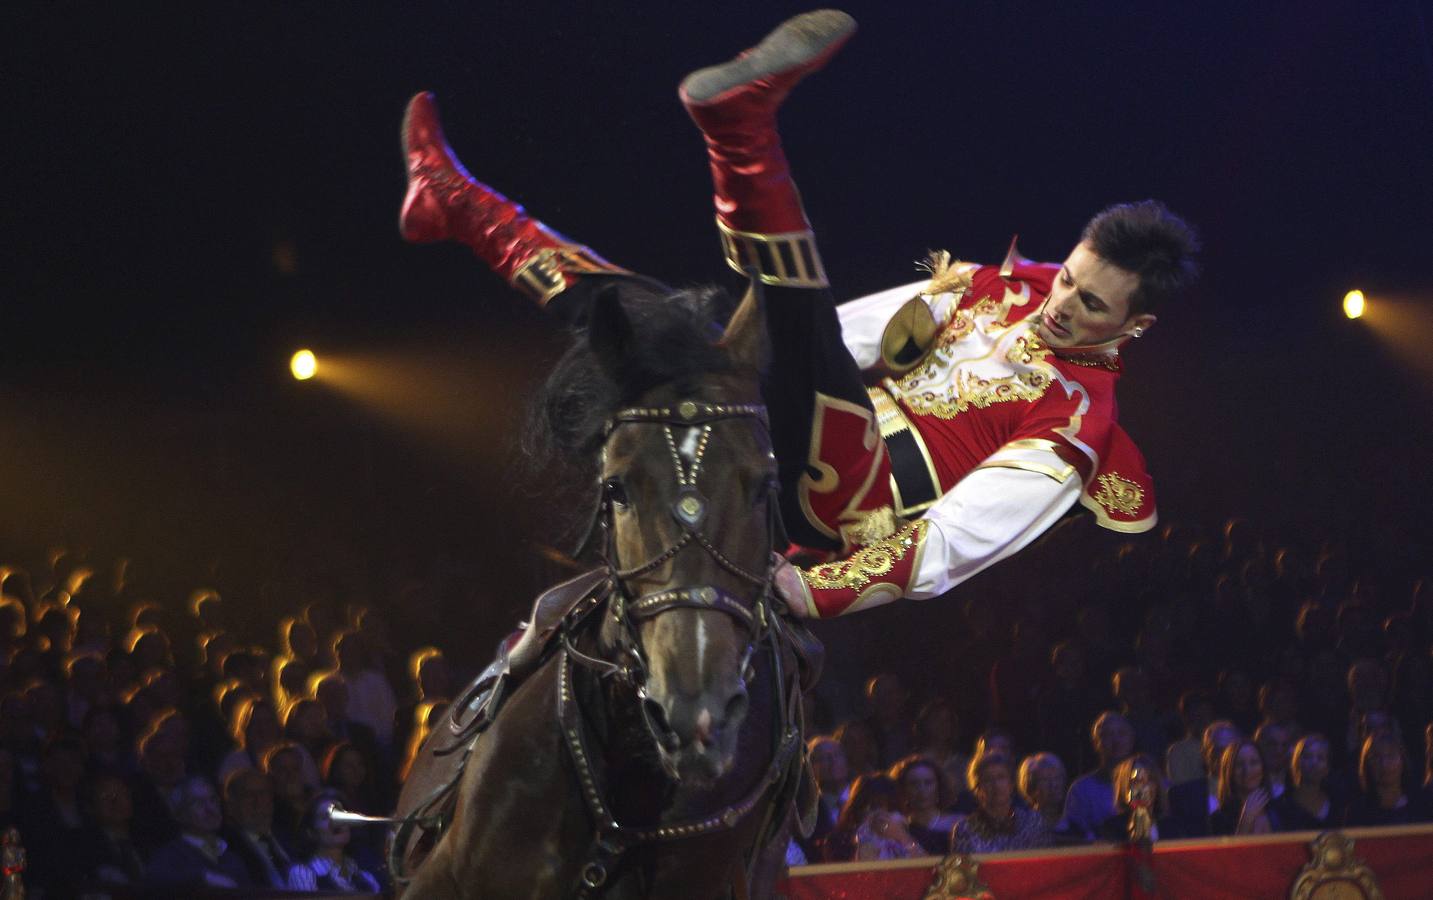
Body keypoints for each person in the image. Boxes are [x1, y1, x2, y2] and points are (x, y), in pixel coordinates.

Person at [395, 9, 1198, 624]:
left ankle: (740, 136)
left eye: (1089, 304)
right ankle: (456, 202)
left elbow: (950, 545)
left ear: (1132, 326)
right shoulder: (1001, 287)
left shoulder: (1077, 421)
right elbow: (843, 332)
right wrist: (731, 351)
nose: (1060, 302)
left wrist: (808, 591)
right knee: (646, 318)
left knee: (797, 317)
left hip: (856, 500)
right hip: (805, 416)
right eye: (1068, 278)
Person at [145, 774, 253, 890]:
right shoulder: (170, 857)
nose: (210, 809)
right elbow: (153, 881)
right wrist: (204, 877)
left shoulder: (231, 856)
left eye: (213, 800)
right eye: (199, 803)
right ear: (179, 814)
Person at [284, 788, 382, 892]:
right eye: (325, 817)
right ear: (311, 832)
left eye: (340, 815)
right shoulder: (303, 873)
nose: (336, 822)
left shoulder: (366, 878)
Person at [950, 751, 1050, 854]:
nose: (996, 785)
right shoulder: (965, 829)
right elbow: (962, 869)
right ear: (977, 789)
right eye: (988, 779)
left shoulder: (1033, 822)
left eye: (1001, 777)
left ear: (1011, 784)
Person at [819, 773, 924, 862]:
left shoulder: (913, 831)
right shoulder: (838, 841)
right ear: (858, 808)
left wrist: (901, 836)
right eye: (872, 807)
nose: (879, 815)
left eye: (886, 808)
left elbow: (926, 866)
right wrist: (864, 841)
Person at [1064, 711, 1135, 839]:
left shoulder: (1149, 781)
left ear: (1131, 739)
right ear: (1096, 743)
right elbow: (1076, 836)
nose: (1116, 741)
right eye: (1108, 735)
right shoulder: (1081, 790)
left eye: (1121, 734)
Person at [221, 767, 292, 889]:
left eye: (264, 793)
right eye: (248, 795)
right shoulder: (226, 846)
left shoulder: (290, 837)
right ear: (231, 805)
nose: (258, 802)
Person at [1342, 732, 1429, 826]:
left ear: (1402, 760)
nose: (1384, 764)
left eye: (1390, 756)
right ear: (1366, 764)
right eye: (1376, 757)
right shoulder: (1356, 813)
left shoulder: (1424, 806)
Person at [1210, 740, 1281, 836]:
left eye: (1254, 763)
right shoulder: (1218, 820)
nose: (1247, 770)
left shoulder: (1282, 810)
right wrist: (1246, 820)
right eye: (1239, 765)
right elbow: (1230, 851)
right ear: (1229, 771)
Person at [890, 755, 958, 855]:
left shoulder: (958, 824)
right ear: (903, 789)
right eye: (914, 784)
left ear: (939, 786)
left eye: (928, 783)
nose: (921, 790)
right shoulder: (896, 826)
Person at [1274, 733, 1335, 831]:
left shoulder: (1337, 804)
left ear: (1327, 767)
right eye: (1307, 756)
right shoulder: (1281, 806)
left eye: (1320, 758)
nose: (1314, 763)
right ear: (1296, 763)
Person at [1019, 752, 1082, 845]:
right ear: (1031, 787)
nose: (1053, 785)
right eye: (1045, 780)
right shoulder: (1023, 823)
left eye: (1057, 778)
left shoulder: (1075, 821)